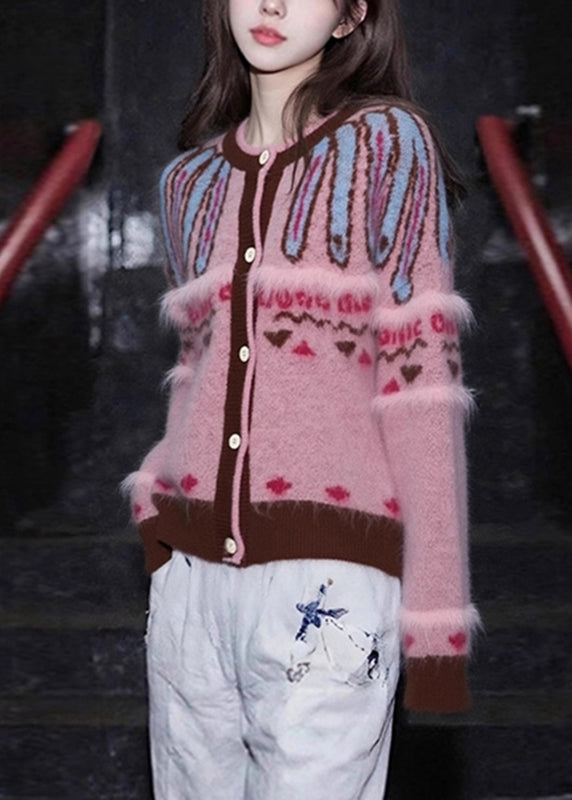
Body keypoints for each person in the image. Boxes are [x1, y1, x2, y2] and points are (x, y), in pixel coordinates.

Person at [122, 0, 484, 797]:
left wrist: (435, 622)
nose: (274, 5)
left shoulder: (387, 144)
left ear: (352, 16)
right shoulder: (189, 184)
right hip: (189, 583)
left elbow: (422, 382)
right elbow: (195, 370)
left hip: (330, 581)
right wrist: (158, 511)